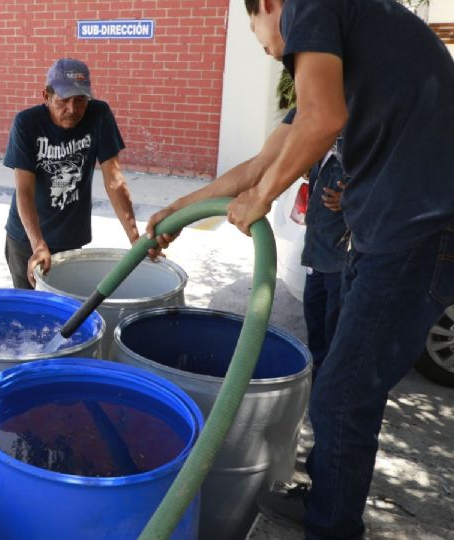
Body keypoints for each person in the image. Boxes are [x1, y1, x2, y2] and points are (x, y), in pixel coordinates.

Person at [145, 0, 454, 538]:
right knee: (342, 380)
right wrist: (179, 210)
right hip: (388, 231)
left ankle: (330, 527)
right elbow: (259, 165)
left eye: (260, 36)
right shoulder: (346, 54)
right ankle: (327, 500)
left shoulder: (312, 6)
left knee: (344, 390)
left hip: (418, 228)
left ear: (268, 5)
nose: (271, 51)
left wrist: (262, 199)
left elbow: (321, 121)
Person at [3, 58, 139, 289]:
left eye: (80, 100)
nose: (72, 109)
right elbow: (24, 190)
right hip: (27, 239)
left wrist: (136, 239)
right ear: (46, 96)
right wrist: (38, 245)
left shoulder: (99, 115)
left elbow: (114, 180)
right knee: (32, 309)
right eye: (63, 100)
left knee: (69, 310)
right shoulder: (27, 124)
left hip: (71, 237)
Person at [300, 133, 348, 378]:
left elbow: (379, 190)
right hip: (315, 254)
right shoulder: (321, 153)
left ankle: (331, 377)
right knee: (314, 314)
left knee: (335, 323)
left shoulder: (352, 153)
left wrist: (349, 200)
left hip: (339, 259)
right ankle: (317, 369)